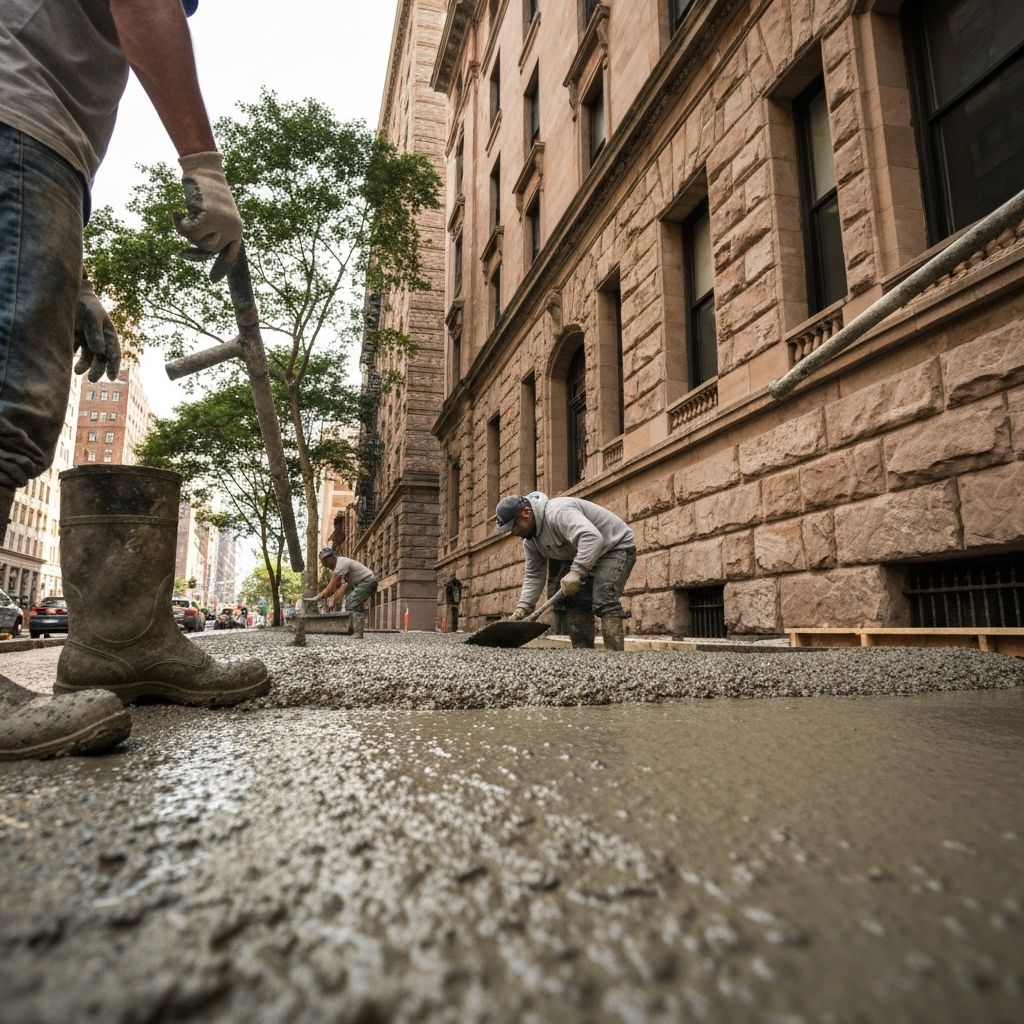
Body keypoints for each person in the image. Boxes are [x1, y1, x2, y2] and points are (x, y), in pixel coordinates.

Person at [0, 0, 265, 762]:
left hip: (37, 143)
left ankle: (120, 644)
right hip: (25, 124)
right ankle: (119, 645)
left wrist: (76, 280)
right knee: (14, 410)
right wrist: (204, 166)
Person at [496, 492, 636, 651]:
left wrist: (576, 571)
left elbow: (591, 538)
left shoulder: (557, 512)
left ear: (526, 513)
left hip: (615, 547)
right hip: (584, 553)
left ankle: (616, 657)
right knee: (575, 599)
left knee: (604, 596)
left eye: (514, 526)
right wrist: (523, 608)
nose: (514, 533)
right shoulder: (531, 541)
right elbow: (534, 576)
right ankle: (584, 653)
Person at [315, 546, 378, 639]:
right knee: (349, 602)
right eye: (324, 563)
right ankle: (352, 630)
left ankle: (358, 633)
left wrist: (317, 598)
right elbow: (341, 587)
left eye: (327, 561)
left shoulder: (340, 564)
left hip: (368, 581)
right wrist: (332, 600)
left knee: (354, 602)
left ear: (333, 556)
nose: (327, 565)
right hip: (361, 583)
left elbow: (331, 586)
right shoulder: (338, 565)